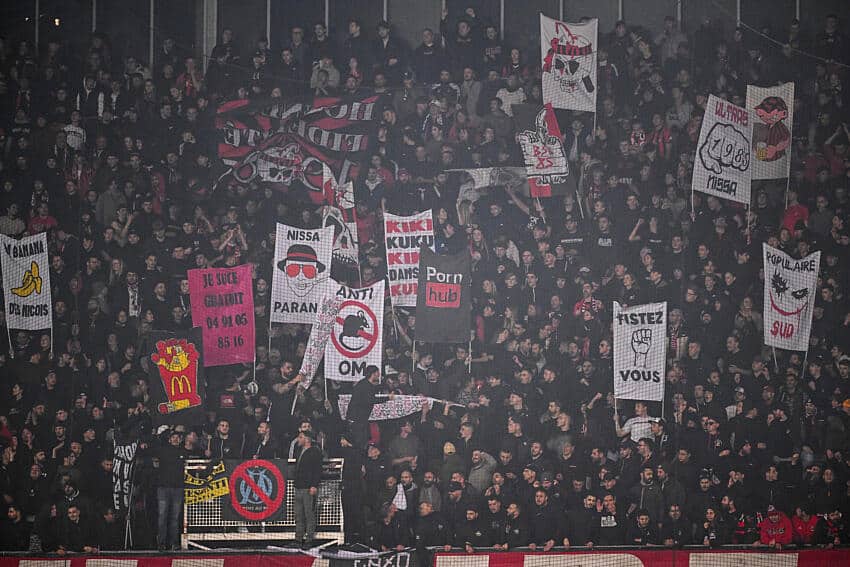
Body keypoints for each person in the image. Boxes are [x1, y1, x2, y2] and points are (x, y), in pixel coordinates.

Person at [293, 430, 323, 547]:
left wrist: (314, 485)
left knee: (309, 514)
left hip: (308, 487)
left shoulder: (315, 452)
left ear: (307, 439)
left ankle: (309, 539)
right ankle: (298, 539)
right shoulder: (299, 450)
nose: (298, 440)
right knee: (298, 514)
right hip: (299, 486)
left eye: (300, 437)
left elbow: (317, 470)